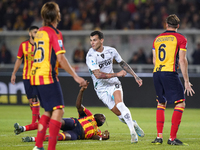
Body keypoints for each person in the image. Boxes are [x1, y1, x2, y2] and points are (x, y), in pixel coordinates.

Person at [30, 2, 86, 150]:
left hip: (36, 76)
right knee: (59, 110)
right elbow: (60, 58)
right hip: (47, 76)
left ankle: (38, 146)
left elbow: (52, 59)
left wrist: (67, 68)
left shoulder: (39, 32)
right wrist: (75, 76)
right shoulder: (54, 33)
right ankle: (50, 148)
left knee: (48, 111)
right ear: (57, 15)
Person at [86, 30, 144, 144]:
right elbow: (97, 75)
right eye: (91, 40)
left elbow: (122, 63)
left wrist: (135, 76)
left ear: (101, 40)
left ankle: (132, 132)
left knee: (120, 104)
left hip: (113, 83)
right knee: (120, 114)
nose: (92, 43)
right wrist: (117, 74)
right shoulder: (90, 55)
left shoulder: (111, 51)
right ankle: (134, 124)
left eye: (94, 40)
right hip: (101, 88)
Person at [151, 14, 195, 146]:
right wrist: (186, 81)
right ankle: (172, 138)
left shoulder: (157, 39)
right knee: (180, 103)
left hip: (157, 73)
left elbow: (154, 60)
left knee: (161, 103)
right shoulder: (180, 38)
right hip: (169, 72)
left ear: (166, 25)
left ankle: (159, 137)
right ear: (178, 26)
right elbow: (182, 60)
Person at [15, 82, 109, 142]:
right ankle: (22, 128)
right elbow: (78, 106)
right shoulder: (89, 115)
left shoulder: (98, 131)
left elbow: (95, 137)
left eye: (103, 119)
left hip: (77, 135)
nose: (103, 119)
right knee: (52, 122)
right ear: (96, 115)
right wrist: (81, 91)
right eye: (102, 116)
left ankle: (32, 139)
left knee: (59, 137)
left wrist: (102, 138)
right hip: (74, 123)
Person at [11, 26, 40, 125]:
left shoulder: (41, 46)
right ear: (30, 33)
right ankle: (38, 119)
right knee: (31, 100)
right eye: (35, 32)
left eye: (38, 32)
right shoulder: (23, 45)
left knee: (36, 97)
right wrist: (14, 73)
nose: (36, 34)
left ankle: (34, 122)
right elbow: (19, 59)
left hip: (38, 76)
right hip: (27, 76)